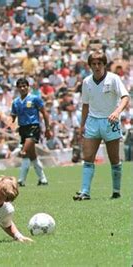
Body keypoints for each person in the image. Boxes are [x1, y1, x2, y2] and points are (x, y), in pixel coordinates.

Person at [73, 51, 130, 201]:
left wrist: (117, 112)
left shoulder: (114, 79)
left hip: (110, 122)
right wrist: (82, 125)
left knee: (114, 159)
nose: (97, 66)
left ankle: (116, 191)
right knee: (88, 157)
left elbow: (125, 97)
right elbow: (85, 105)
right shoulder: (86, 82)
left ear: (104, 65)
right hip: (92, 121)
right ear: (90, 66)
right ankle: (85, 192)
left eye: (99, 63)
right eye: (94, 64)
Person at [10, 77, 52, 187]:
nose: (23, 88)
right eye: (20, 87)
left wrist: (48, 128)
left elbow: (44, 113)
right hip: (23, 129)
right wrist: (11, 123)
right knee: (31, 155)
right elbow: (13, 117)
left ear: (28, 87)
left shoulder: (35, 99)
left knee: (24, 152)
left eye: (25, 86)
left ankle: (21, 180)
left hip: (33, 127)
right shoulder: (15, 102)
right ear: (17, 88)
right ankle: (42, 179)